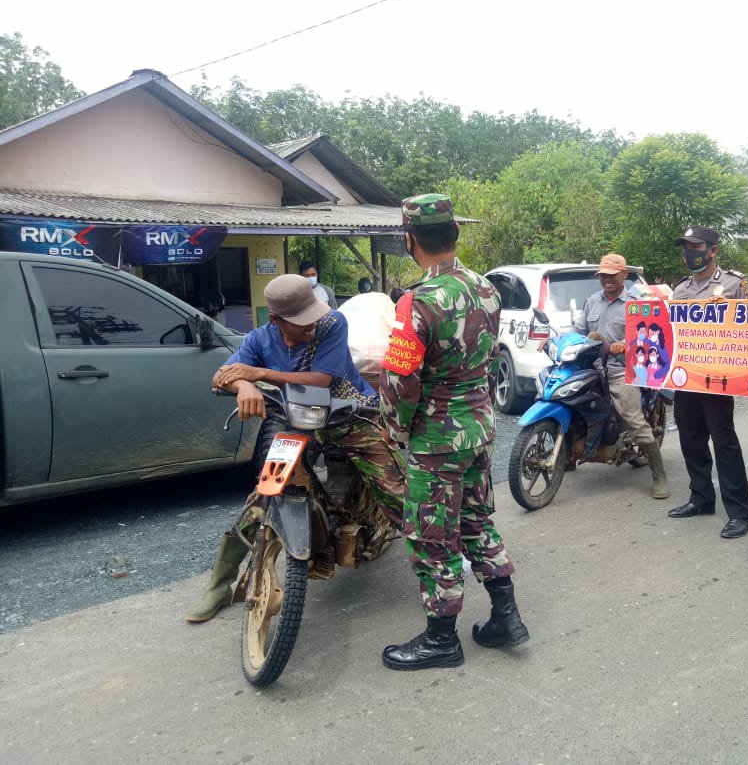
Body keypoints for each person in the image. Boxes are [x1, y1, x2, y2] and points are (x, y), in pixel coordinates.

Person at [185, 274, 405, 623]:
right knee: (265, 493)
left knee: (395, 490)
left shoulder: (333, 323)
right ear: (276, 320)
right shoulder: (260, 339)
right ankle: (220, 584)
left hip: (349, 413)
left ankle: (440, 560)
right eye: (302, 323)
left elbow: (322, 379)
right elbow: (222, 375)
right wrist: (244, 385)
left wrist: (258, 373)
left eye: (313, 316)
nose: (312, 326)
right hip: (295, 422)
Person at [380, 193, 528, 671]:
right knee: (476, 521)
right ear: (456, 233)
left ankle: (441, 639)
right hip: (480, 426)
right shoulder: (487, 289)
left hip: (437, 438)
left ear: (408, 240)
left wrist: (396, 429)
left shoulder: (418, 302)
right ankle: (506, 617)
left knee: (431, 536)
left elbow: (401, 380)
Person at [666, 225, 748, 539]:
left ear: (713, 250)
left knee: (724, 443)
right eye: (686, 247)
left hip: (719, 381)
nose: (691, 253)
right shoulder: (679, 290)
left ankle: (740, 512)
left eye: (697, 247)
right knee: (690, 440)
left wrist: (747, 304)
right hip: (686, 379)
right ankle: (701, 498)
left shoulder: (735, 284)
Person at [573, 253, 669, 499]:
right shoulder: (592, 300)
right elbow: (579, 329)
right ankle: (566, 455)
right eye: (603, 275)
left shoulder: (636, 302)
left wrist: (626, 343)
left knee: (635, 421)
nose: (607, 280)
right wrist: (559, 339)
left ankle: (659, 475)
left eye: (612, 275)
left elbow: (648, 333)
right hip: (590, 368)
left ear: (624, 275)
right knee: (568, 404)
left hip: (619, 371)